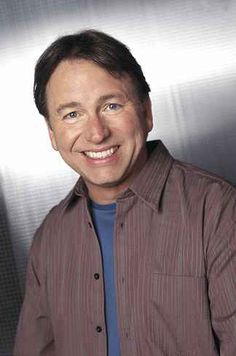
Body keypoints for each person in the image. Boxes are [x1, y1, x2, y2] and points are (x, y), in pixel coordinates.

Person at [14, 29, 236, 356]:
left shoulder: (217, 211)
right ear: (52, 133)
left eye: (112, 105)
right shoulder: (50, 238)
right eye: (72, 114)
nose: (96, 133)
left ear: (146, 112)